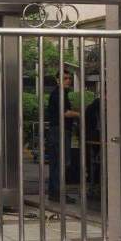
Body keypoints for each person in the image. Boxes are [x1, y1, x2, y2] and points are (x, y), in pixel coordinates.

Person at [46, 70, 79, 202]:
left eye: (69, 78)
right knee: (62, 162)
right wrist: (79, 114)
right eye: (65, 78)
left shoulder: (59, 93)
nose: (68, 81)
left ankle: (54, 193)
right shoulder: (59, 94)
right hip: (60, 131)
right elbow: (65, 113)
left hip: (56, 131)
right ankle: (58, 193)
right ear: (57, 80)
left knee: (56, 162)